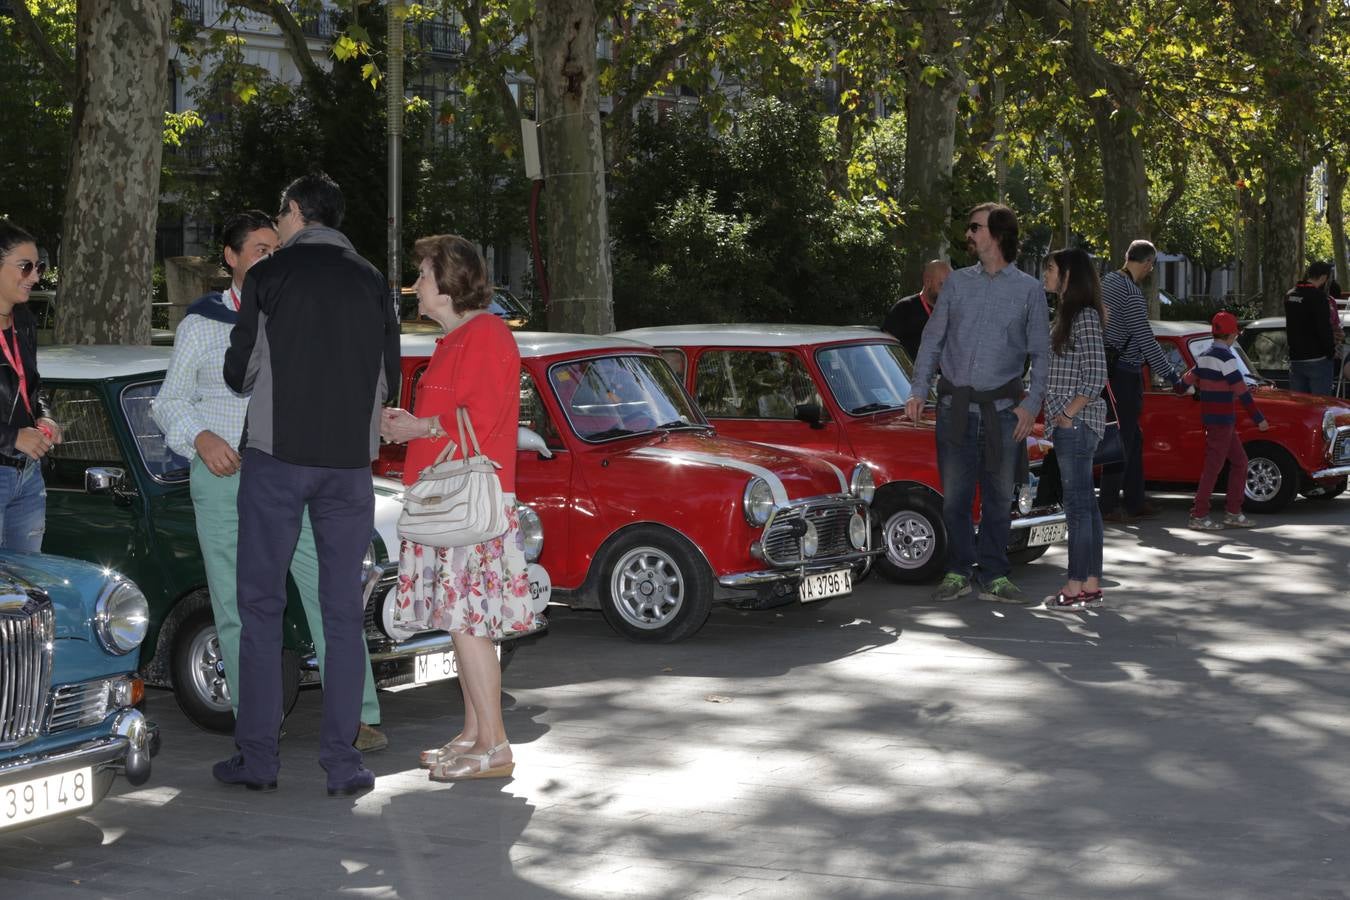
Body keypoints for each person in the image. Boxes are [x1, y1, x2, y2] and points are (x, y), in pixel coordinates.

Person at [151, 210, 385, 751]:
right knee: (235, 603)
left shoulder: (296, 309)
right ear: (230, 259)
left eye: (276, 246)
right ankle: (255, 720)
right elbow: (169, 403)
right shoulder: (200, 323)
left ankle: (358, 716)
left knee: (331, 591)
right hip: (224, 476)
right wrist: (202, 438)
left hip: (290, 469)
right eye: (259, 248)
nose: (271, 257)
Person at [217, 174, 400, 797]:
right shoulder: (374, 281)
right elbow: (388, 383)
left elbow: (239, 372)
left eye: (280, 213)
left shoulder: (269, 277)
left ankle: (258, 758)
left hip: (276, 461)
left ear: (295, 214)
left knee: (261, 608)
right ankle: (343, 764)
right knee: (343, 614)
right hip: (349, 469)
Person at [380, 234, 540, 782]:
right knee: (462, 623)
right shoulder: (453, 341)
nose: (416, 286)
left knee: (470, 624)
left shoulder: (488, 334)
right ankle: (475, 733)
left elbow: (489, 416)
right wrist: (412, 425)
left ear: (447, 285)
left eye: (423, 275)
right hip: (449, 505)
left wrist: (418, 426)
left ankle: (495, 746)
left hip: (470, 507)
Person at [905, 203, 1049, 606]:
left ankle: (996, 574)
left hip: (1004, 412)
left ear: (997, 234)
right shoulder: (957, 283)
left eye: (975, 227)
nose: (968, 234)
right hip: (954, 408)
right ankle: (957, 571)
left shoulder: (1028, 290)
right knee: (955, 497)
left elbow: (1041, 353)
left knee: (1000, 497)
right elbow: (932, 339)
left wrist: (1030, 404)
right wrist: (918, 390)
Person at [1099, 240, 1189, 523]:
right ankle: (1109, 504)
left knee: (1133, 437)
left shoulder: (1106, 281)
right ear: (1149, 263)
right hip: (1125, 373)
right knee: (1123, 439)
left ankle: (1136, 498)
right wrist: (1174, 376)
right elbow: (1146, 342)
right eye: (1152, 266)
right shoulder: (1132, 294)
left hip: (1106, 368)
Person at [1040, 248, 1107, 611]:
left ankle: (1076, 585)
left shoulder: (1083, 317)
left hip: (1077, 425)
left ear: (1068, 275)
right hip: (1074, 423)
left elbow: (1096, 376)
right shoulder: (1069, 316)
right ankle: (1091, 585)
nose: (1045, 274)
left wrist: (1066, 413)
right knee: (1087, 508)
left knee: (1078, 508)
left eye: (1050, 268)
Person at [0, 220, 61, 550]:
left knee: (24, 588)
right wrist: (13, 438)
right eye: (25, 267)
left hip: (27, 474)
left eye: (38, 266)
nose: (36, 277)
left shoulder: (24, 321)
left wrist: (45, 417)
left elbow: (32, 385)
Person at [1181, 311, 1268, 530]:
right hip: (1223, 421)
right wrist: (1259, 419)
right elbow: (1242, 393)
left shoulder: (1205, 356)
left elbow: (1185, 382)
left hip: (1214, 420)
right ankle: (1199, 515)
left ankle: (1233, 512)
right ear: (1232, 336)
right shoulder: (1228, 359)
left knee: (1240, 462)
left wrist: (1184, 386)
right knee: (1213, 468)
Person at [882, 259, 952, 360]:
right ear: (928, 282)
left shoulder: (952, 311)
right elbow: (887, 350)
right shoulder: (904, 309)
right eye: (942, 285)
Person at [1284, 261, 1335, 396]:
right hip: (1317, 358)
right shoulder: (1319, 297)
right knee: (1320, 406)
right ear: (1324, 277)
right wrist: (1331, 351)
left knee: (1299, 406)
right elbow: (1324, 328)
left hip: (1296, 358)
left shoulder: (1290, 295)